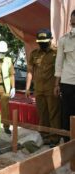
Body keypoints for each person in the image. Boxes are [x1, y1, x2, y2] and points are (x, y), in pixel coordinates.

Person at [26, 29, 61, 147]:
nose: (42, 44)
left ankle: (55, 138)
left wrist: (57, 85)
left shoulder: (56, 53)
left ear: (50, 40)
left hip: (51, 89)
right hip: (38, 89)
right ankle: (45, 137)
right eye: (40, 42)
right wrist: (27, 88)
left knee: (54, 113)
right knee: (42, 113)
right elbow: (30, 71)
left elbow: (59, 70)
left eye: (44, 42)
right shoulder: (34, 53)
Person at [54, 10, 75, 142]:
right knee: (66, 114)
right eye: (72, 23)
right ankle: (67, 144)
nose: (73, 26)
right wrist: (56, 84)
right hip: (67, 83)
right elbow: (59, 63)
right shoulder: (64, 40)